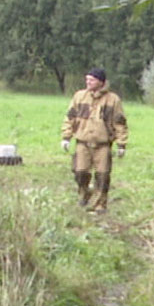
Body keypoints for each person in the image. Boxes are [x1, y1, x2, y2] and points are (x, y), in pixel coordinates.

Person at [61, 67, 128, 213]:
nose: (88, 82)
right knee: (80, 172)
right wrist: (66, 137)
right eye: (87, 79)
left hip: (103, 144)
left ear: (101, 82)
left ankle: (100, 204)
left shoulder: (113, 100)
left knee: (103, 176)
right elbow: (70, 117)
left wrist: (121, 144)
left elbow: (120, 122)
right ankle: (84, 194)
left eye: (91, 80)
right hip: (82, 142)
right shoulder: (79, 96)